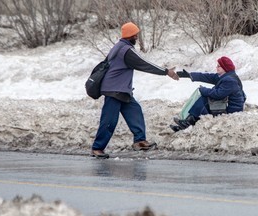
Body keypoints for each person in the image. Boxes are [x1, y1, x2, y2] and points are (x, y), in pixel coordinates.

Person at [91, 22, 179, 158]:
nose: (137, 37)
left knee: (135, 111)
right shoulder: (126, 51)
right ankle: (97, 148)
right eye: (135, 35)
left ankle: (139, 141)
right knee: (109, 121)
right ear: (129, 36)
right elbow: (144, 64)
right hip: (114, 90)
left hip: (121, 89)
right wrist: (166, 72)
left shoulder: (118, 46)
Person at [170, 56, 246, 132]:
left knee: (205, 98)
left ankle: (187, 123)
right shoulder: (225, 76)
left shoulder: (230, 80)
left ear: (225, 67)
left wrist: (204, 90)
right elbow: (207, 77)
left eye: (219, 66)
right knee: (206, 99)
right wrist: (190, 75)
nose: (217, 67)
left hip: (232, 111)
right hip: (225, 105)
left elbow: (218, 94)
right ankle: (186, 123)